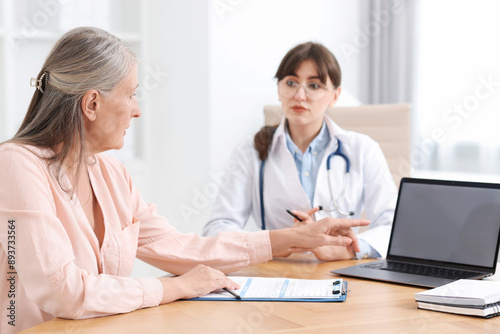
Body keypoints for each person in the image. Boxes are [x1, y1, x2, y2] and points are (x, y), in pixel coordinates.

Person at [0, 28, 368, 333]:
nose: (138, 109)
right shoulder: (17, 165)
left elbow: (181, 248)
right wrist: (172, 287)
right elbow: (64, 293)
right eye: (131, 94)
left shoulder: (112, 175)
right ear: (92, 104)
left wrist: (291, 239)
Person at [203, 42, 397, 261]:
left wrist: (351, 247)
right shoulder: (250, 151)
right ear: (279, 89)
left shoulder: (363, 149)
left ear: (335, 95)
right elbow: (218, 228)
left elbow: (392, 226)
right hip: (273, 275)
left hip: (343, 273)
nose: (300, 95)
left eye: (314, 85)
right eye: (291, 83)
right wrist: (275, 242)